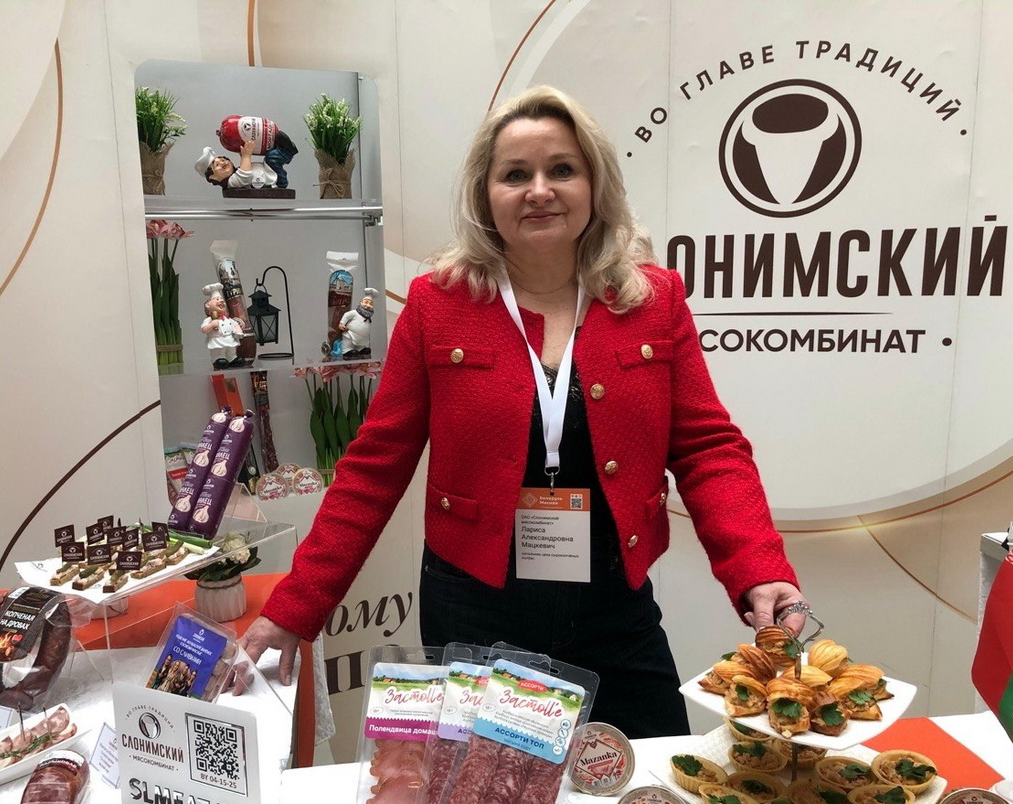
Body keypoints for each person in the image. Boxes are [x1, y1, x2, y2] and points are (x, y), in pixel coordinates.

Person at [239, 85, 807, 737]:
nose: (539, 190)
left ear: (595, 184)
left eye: (562, 169)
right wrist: (297, 605)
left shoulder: (654, 300)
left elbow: (709, 450)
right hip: (474, 609)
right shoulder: (437, 304)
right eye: (515, 175)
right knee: (483, 791)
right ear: (486, 194)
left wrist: (759, 569)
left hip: (614, 607)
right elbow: (374, 467)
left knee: (648, 774)